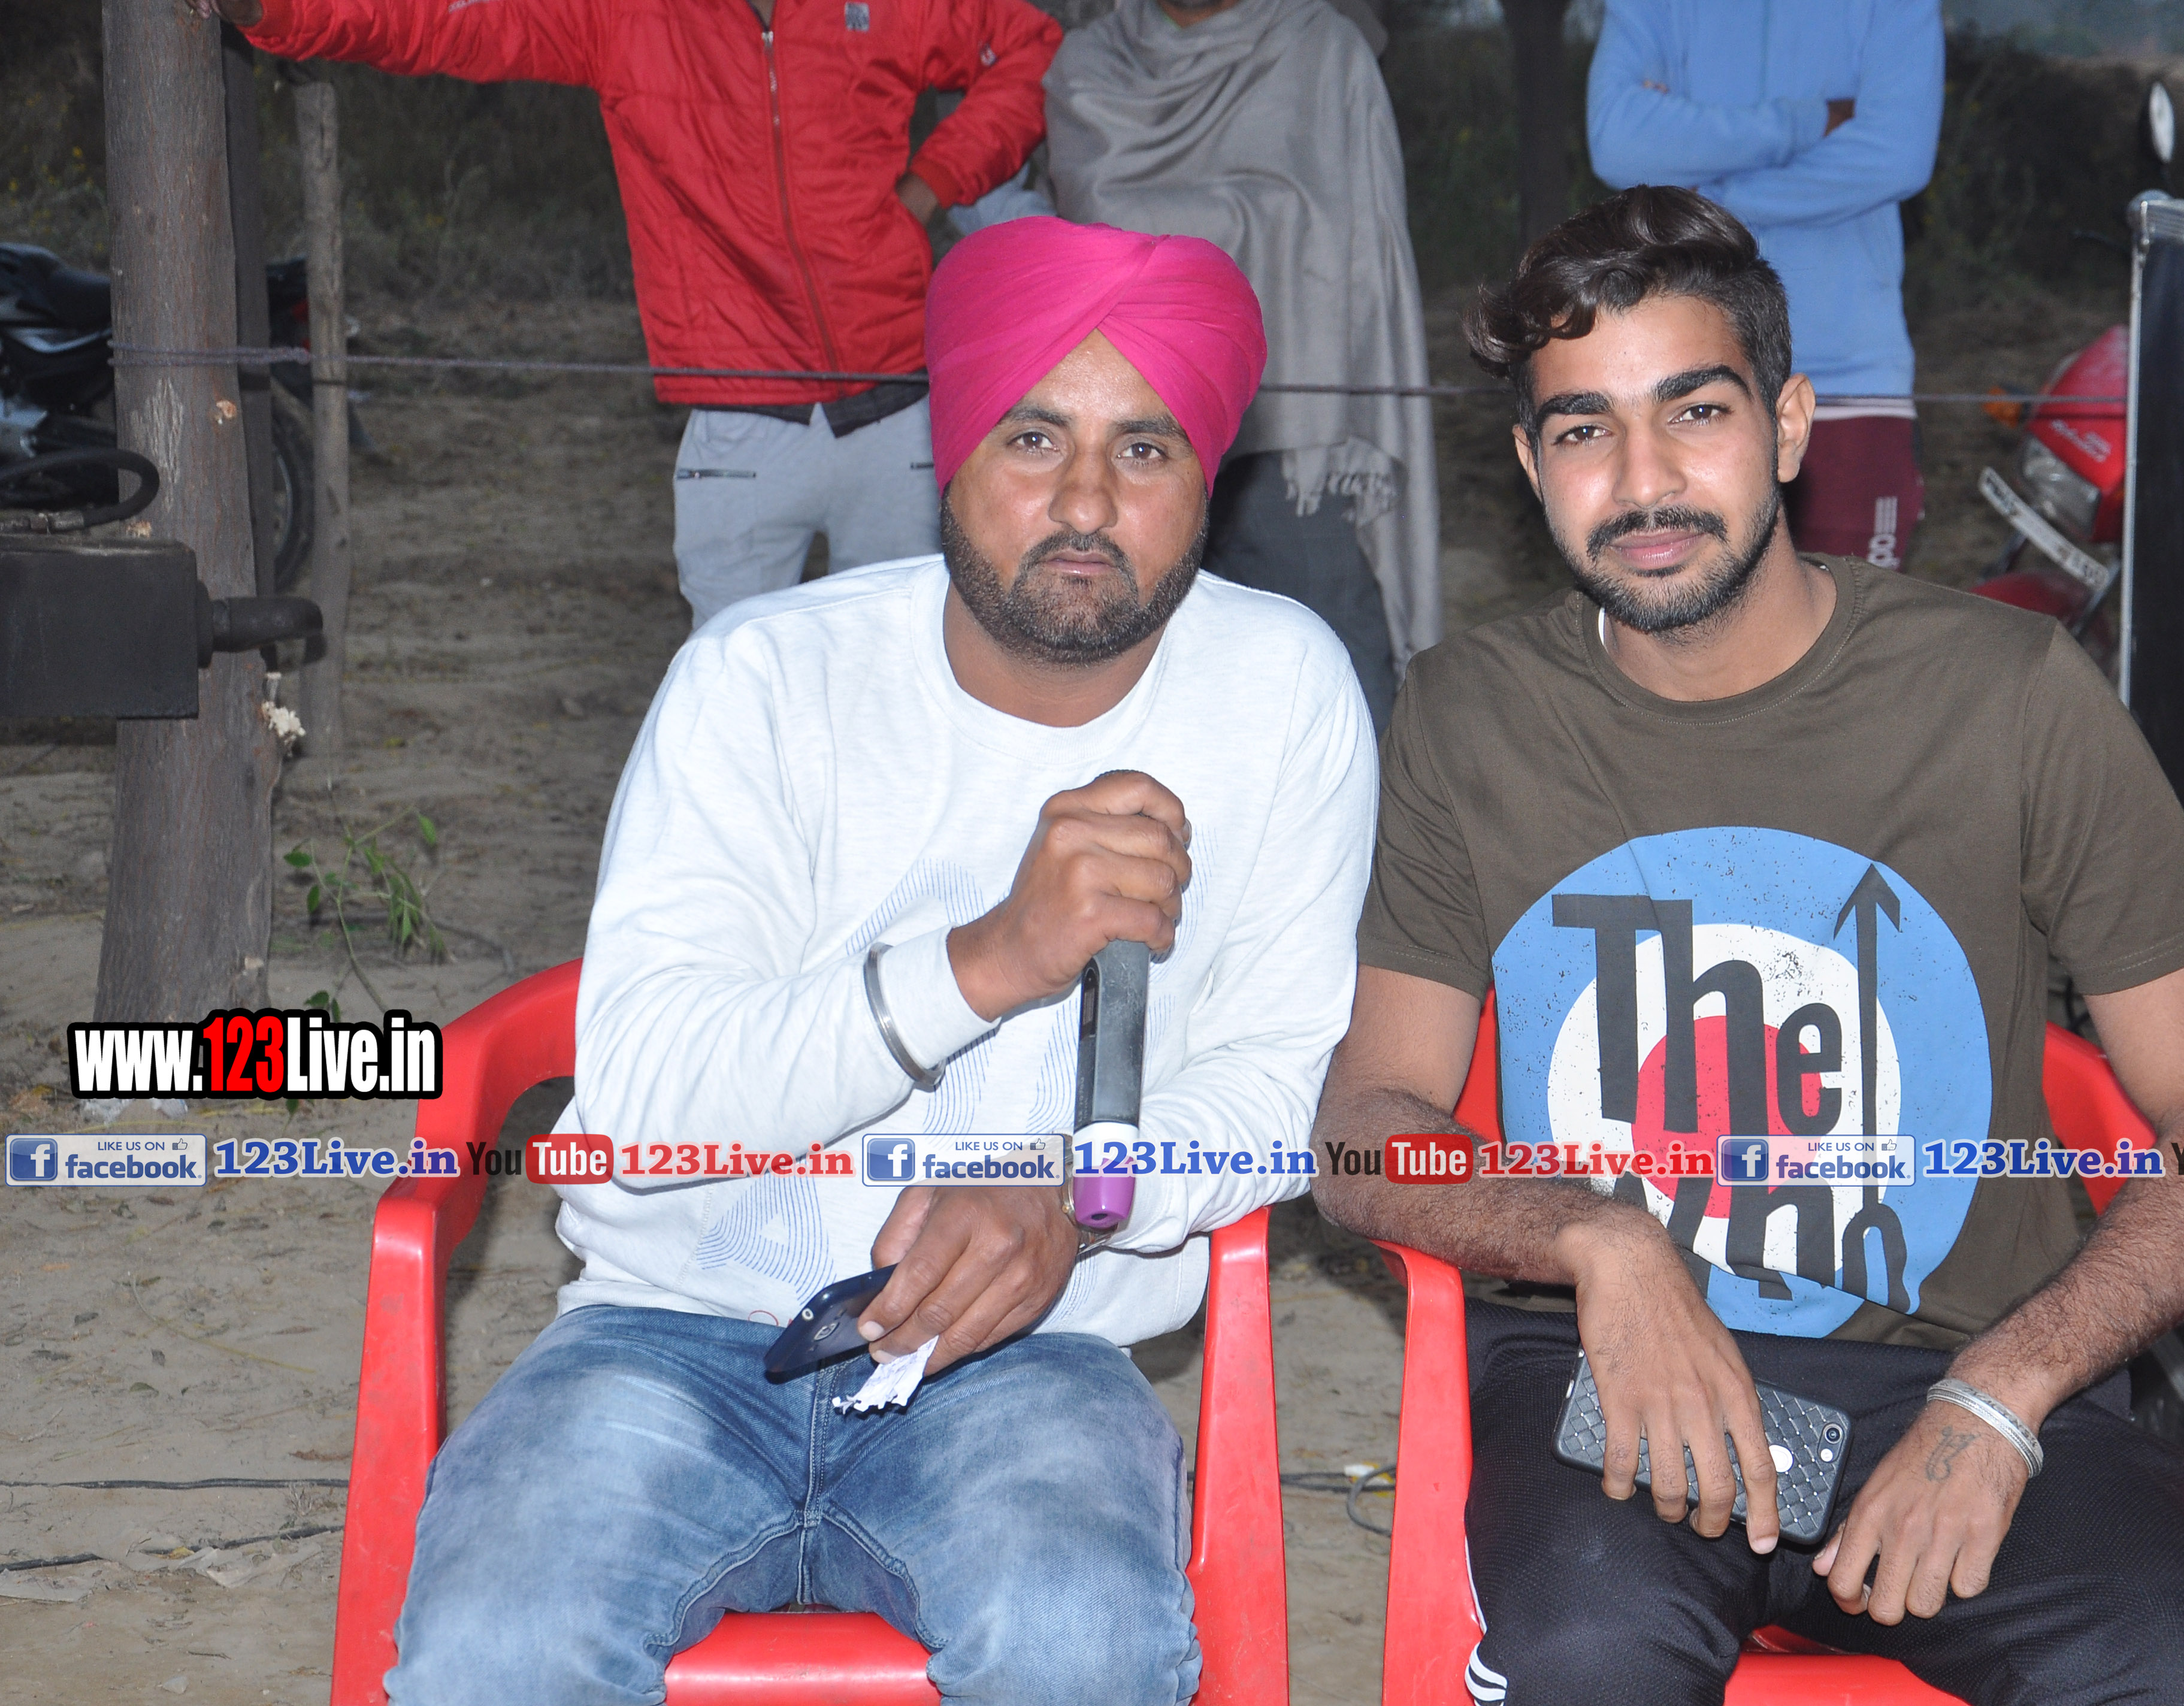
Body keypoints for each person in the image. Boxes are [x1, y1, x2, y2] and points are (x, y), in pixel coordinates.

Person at [1311, 187, 2184, 1705]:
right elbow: (1362, 1133)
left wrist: (2004, 1393)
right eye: (1581, 430)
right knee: (1584, 1653)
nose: (1641, 480)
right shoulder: (1469, 713)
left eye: (1692, 412)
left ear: (1786, 425)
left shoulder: (2007, 694)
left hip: (1959, 1366)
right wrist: (1600, 1238)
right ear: (1528, 464)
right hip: (1603, 1368)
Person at [382, 217, 1375, 1705]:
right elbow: (641, 1096)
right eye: (1034, 436)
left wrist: (1073, 1189)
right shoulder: (765, 677)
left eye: (1145, 447)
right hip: (669, 1332)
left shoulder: (1281, 690)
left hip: (1031, 1359)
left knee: (1080, 1639)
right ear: (951, 453)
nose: (1084, 501)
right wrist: (987, 960)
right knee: (498, 1649)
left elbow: (1276, 1079)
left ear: (1205, 479)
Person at [199, 0, 1062, 628]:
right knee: (734, 700)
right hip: (739, 429)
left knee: (912, 680)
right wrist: (274, 9)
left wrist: (931, 184)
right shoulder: (626, 15)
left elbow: (1029, 50)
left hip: (902, 417)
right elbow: (441, 19)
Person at [1045, 0, 1439, 731]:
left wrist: (1180, 231)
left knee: (1331, 653)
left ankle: (1372, 810)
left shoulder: (1322, 49)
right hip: (1132, 422)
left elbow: (1363, 243)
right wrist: (1263, 215)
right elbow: (1095, 214)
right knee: (1142, 669)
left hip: (1297, 419)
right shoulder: (1092, 63)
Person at [1587, 0, 1941, 573]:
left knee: (1860, 622)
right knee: (1693, 616)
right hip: (1687, 367)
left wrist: (1706, 194)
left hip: (1850, 378)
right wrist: (1809, 121)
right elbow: (1618, 144)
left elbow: (1898, 156)